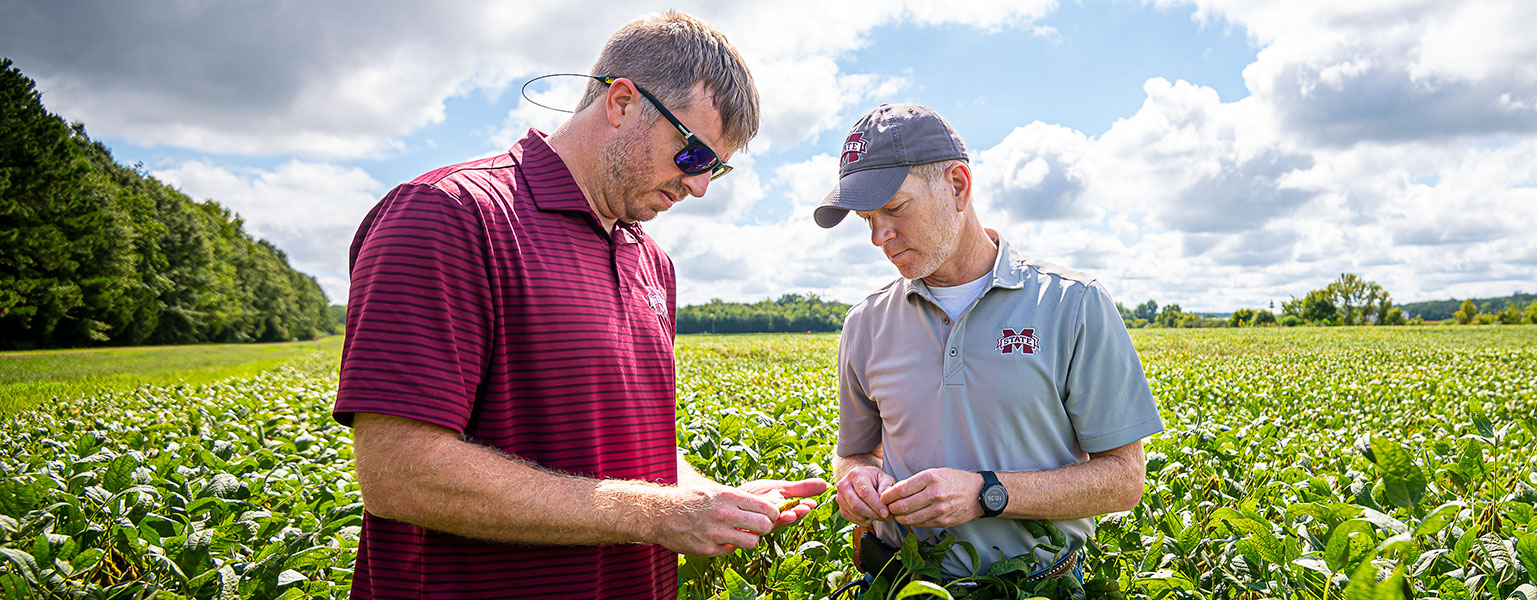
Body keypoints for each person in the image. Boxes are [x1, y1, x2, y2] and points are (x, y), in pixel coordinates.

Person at [332, 12, 825, 599]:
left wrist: (710, 501)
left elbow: (624, 445)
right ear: (621, 103)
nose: (700, 188)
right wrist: (656, 515)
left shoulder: (651, 261)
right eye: (692, 156)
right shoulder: (451, 216)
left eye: (716, 168)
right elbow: (400, 472)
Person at [815, 104, 1165, 589]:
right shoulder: (866, 322)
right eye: (866, 219)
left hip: (1037, 585)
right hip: (902, 583)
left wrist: (988, 493)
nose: (879, 237)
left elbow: (1124, 479)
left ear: (957, 185)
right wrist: (854, 479)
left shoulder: (1071, 304)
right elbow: (857, 452)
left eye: (894, 209)